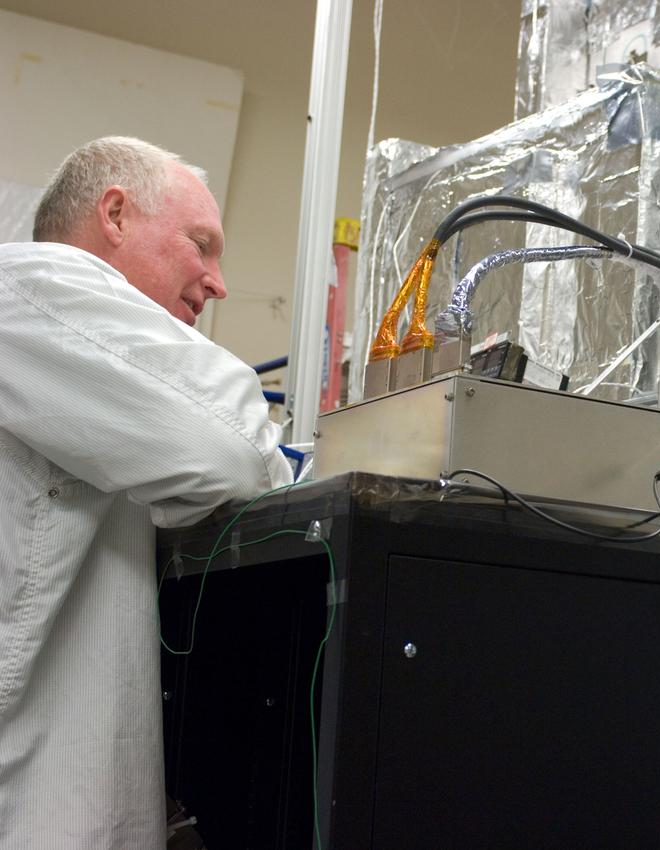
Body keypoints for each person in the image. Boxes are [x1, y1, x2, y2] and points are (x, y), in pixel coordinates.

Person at [0, 137, 292, 848]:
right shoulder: (30, 287)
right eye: (201, 244)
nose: (218, 282)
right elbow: (229, 450)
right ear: (116, 214)